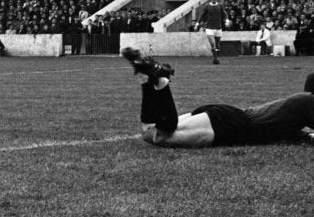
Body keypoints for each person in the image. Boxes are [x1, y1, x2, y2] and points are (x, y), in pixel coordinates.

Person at [121, 47, 314, 147]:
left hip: (230, 117)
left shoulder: (299, 108)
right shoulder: (306, 104)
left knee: (149, 133)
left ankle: (146, 79)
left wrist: (306, 135)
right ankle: (161, 82)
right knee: (161, 137)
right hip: (233, 126)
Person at [197, 0, 225, 64]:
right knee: (213, 44)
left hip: (218, 28)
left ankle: (216, 55)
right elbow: (202, 15)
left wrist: (227, 20)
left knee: (218, 45)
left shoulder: (220, 6)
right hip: (209, 28)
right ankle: (215, 59)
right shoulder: (207, 6)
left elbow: (224, 13)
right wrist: (198, 23)